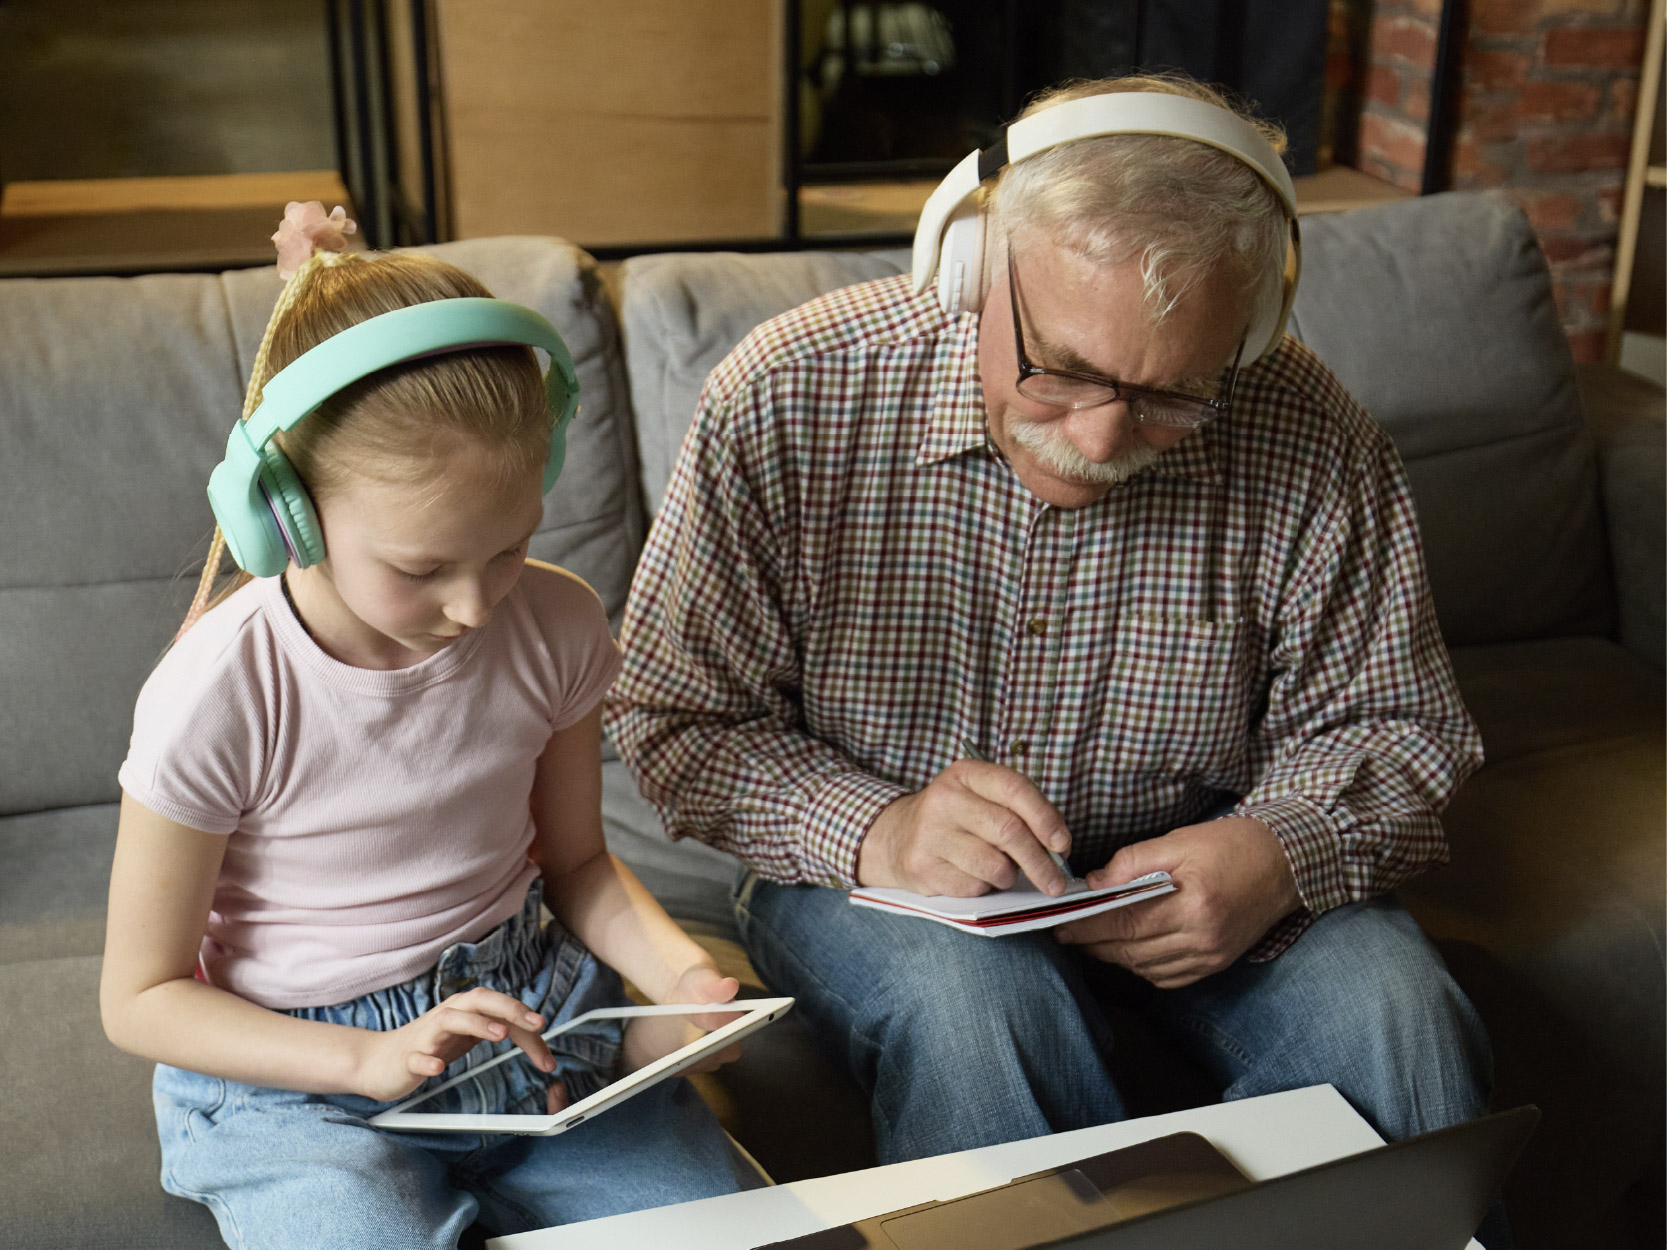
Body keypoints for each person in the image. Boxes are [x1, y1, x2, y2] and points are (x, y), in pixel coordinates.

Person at [606, 73, 1507, 1238]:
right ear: (970, 271)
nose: (1096, 439)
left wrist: (1276, 848)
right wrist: (879, 829)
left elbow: (1399, 725)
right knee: (977, 1008)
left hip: (1204, 863)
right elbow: (674, 717)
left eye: (1171, 395)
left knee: (1397, 1008)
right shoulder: (782, 398)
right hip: (875, 882)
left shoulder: (1307, 430)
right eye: (1063, 370)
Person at [99, 204, 760, 1250]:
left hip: (531, 1028)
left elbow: (580, 863)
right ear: (289, 513)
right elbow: (138, 997)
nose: (473, 606)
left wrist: (679, 976)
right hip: (301, 1084)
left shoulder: (556, 622)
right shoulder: (217, 691)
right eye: (418, 568)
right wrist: (368, 1060)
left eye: (507, 548)